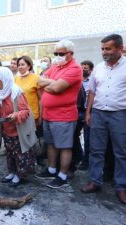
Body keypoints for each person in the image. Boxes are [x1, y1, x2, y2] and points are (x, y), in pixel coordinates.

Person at [81, 34, 126, 204]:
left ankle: (122, 187)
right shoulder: (98, 67)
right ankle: (95, 181)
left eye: (108, 48)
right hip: (98, 114)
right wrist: (88, 113)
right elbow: (92, 91)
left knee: (121, 152)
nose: (104, 52)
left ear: (120, 48)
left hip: (120, 114)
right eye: (102, 49)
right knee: (96, 150)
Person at [35, 39, 82, 189]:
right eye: (55, 53)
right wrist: (52, 82)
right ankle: (51, 169)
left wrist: (50, 83)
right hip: (49, 114)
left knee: (64, 146)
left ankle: (62, 176)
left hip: (64, 116)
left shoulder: (75, 68)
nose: (57, 56)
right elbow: (39, 81)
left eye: (60, 53)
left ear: (71, 53)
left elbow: (56, 88)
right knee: (51, 144)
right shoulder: (55, 66)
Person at [15, 55, 42, 127]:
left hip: (32, 115)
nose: (20, 67)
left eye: (22, 64)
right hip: (19, 115)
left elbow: (40, 99)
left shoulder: (36, 78)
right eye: (18, 65)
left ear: (29, 66)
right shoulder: (15, 79)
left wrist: (40, 116)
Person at [78, 60, 94, 171]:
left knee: (88, 138)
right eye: (82, 67)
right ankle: (79, 156)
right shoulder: (77, 81)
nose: (83, 69)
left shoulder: (93, 81)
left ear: (91, 70)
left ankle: (86, 161)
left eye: (86, 68)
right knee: (74, 136)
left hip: (90, 111)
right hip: (78, 111)